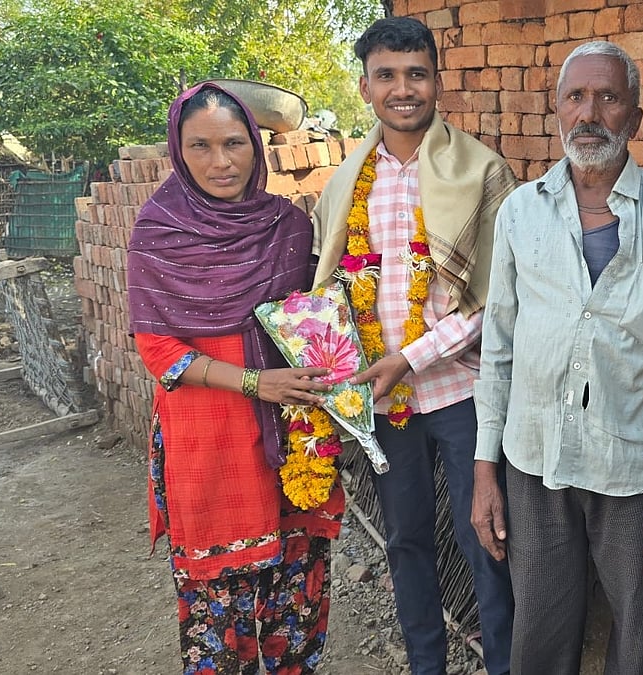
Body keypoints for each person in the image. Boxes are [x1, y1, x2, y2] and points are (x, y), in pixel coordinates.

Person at [470, 40, 643, 675]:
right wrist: (484, 469)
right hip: (533, 457)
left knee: (637, 636)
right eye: (575, 97)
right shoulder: (520, 211)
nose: (589, 114)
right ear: (557, 109)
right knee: (539, 631)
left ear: (634, 115)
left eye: (608, 97)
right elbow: (498, 345)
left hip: (636, 466)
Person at [310, 17, 518, 675]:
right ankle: (427, 665)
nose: (403, 89)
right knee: (405, 540)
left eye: (416, 74)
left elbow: (499, 300)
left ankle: (504, 664)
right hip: (385, 400)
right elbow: (332, 290)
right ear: (365, 87)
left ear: (437, 81)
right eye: (387, 76)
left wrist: (411, 356)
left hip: (464, 391)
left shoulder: (482, 172)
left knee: (487, 537)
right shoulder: (346, 184)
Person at [127, 82, 344, 674]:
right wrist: (254, 382)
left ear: (256, 145)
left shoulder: (288, 226)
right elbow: (158, 350)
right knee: (218, 623)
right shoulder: (159, 230)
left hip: (290, 434)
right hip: (208, 439)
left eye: (234, 143)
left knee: (295, 608)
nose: (220, 162)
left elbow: (312, 323)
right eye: (200, 146)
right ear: (179, 151)